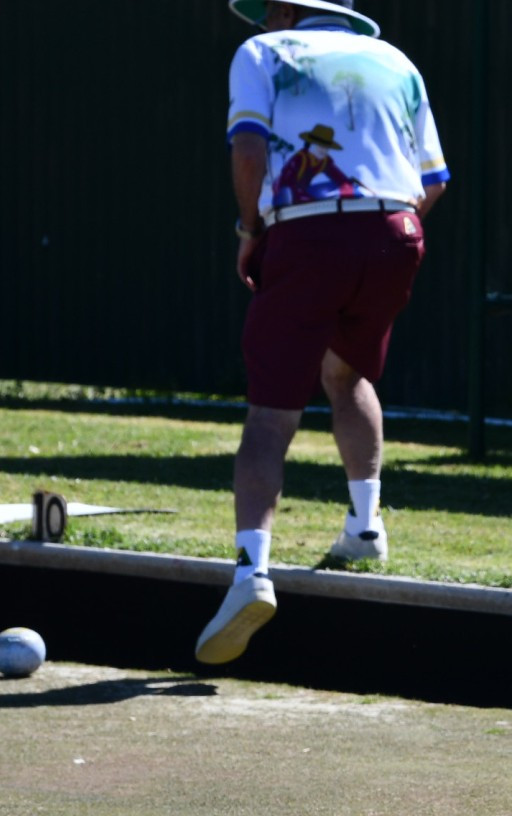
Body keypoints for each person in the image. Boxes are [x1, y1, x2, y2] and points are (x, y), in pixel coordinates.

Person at [196, 0, 448, 666]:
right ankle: (365, 527)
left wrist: (251, 232)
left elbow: (249, 150)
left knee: (270, 414)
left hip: (307, 232)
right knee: (348, 372)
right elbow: (434, 180)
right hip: (399, 233)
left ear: (285, 10)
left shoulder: (263, 55)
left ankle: (251, 570)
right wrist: (382, 231)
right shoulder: (397, 59)